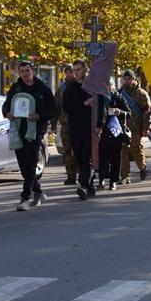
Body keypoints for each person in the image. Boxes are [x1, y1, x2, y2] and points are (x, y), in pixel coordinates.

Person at [2, 61, 57, 211]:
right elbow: (6, 105)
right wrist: (7, 113)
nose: (25, 74)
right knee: (24, 167)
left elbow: (54, 110)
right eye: (22, 71)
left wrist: (39, 116)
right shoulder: (16, 88)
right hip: (18, 130)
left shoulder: (42, 88)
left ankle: (25, 198)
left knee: (31, 164)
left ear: (32, 71)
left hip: (35, 131)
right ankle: (38, 192)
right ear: (19, 73)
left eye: (27, 70)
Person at [62, 60, 95, 200]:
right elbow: (66, 108)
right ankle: (89, 185)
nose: (76, 72)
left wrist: (100, 125)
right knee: (79, 157)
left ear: (85, 70)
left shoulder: (92, 86)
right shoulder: (70, 87)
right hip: (74, 128)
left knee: (87, 157)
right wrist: (83, 103)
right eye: (74, 70)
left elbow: (102, 107)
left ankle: (83, 185)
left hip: (90, 128)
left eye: (79, 69)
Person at [118, 70, 151, 183]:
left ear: (134, 79)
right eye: (125, 79)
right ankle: (125, 175)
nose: (127, 81)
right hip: (123, 127)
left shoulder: (141, 93)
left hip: (137, 127)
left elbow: (147, 112)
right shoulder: (120, 93)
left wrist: (146, 127)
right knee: (123, 150)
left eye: (129, 79)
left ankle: (142, 167)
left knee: (136, 149)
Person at [97, 82, 129, 190]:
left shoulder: (118, 97)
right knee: (102, 157)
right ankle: (101, 179)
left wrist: (119, 111)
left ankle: (113, 181)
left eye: (109, 85)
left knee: (115, 158)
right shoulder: (99, 97)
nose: (107, 87)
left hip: (115, 132)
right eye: (105, 85)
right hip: (102, 131)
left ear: (113, 86)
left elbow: (129, 113)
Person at [55, 64, 79, 185]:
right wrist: (53, 126)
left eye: (71, 72)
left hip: (78, 123)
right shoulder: (61, 89)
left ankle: (82, 173)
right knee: (67, 151)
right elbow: (56, 108)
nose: (69, 74)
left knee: (79, 150)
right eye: (67, 72)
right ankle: (71, 175)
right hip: (65, 124)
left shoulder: (81, 85)